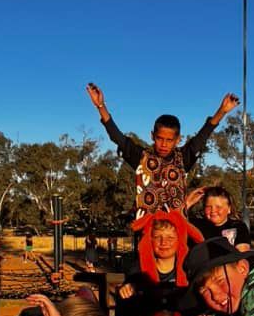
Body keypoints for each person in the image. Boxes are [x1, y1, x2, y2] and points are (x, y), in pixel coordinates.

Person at [86, 82, 240, 218]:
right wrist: (101, 106)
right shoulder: (141, 157)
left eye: (169, 140)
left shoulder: (183, 158)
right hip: (148, 229)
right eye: (160, 138)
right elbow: (117, 136)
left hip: (177, 229)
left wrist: (222, 111)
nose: (164, 144)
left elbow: (203, 135)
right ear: (152, 136)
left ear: (178, 139)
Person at [115, 211, 203, 316]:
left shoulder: (190, 270)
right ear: (150, 240)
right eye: (157, 237)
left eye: (170, 238)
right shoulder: (138, 270)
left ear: (179, 239)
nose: (163, 242)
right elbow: (127, 303)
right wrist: (126, 290)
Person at [187, 185, 251, 251]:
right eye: (208, 207)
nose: (213, 211)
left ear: (229, 209)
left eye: (218, 207)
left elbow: (242, 255)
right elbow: (177, 221)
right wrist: (187, 204)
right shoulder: (195, 225)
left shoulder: (238, 227)